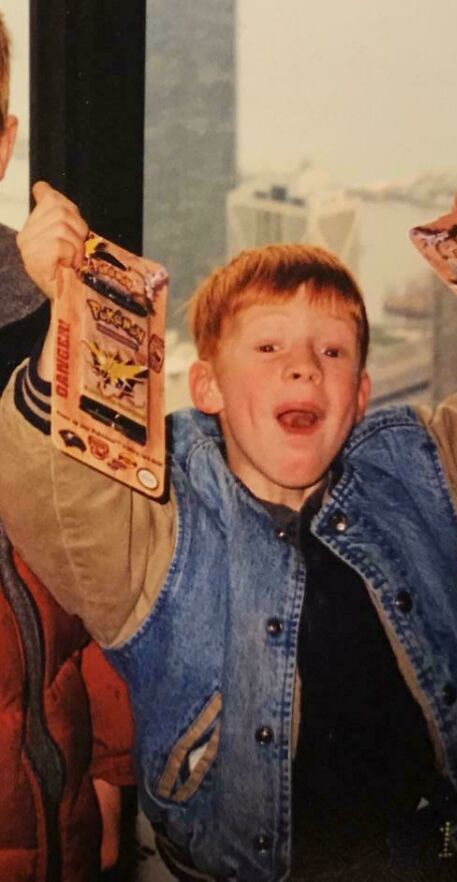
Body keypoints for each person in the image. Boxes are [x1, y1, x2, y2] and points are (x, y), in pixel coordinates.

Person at [0, 179, 457, 882]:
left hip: (428, 843)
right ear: (209, 388)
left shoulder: (407, 477)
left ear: (362, 394)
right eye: (269, 346)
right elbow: (58, 500)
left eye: (333, 353)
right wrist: (67, 327)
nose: (305, 365)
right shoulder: (160, 526)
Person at [0, 14, 134, 882]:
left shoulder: (61, 300)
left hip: (57, 811)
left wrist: (114, 769)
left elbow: (116, 546)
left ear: (4, 139)